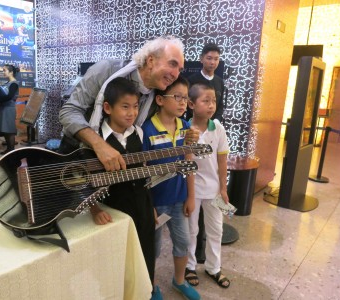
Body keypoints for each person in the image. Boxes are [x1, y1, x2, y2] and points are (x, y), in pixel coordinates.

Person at [59, 36, 199, 170]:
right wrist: (99, 145)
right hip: (75, 154)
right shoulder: (106, 70)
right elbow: (69, 111)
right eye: (172, 64)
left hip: (117, 163)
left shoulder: (157, 94)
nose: (176, 74)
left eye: (180, 69)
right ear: (150, 61)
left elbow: (165, 122)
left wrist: (187, 133)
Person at [88, 77, 159, 299]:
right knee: (117, 262)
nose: (132, 113)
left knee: (145, 255)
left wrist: (151, 205)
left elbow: (144, 171)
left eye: (136, 106)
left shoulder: (138, 132)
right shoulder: (96, 139)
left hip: (143, 208)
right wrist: (95, 210)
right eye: (125, 107)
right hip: (114, 211)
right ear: (108, 108)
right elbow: (85, 182)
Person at [142, 75, 200, 300]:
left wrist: (191, 196)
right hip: (156, 203)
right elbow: (144, 171)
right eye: (177, 97)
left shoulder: (186, 128)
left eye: (185, 98)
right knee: (153, 248)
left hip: (179, 199)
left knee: (183, 241)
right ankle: (152, 285)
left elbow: (189, 162)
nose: (182, 102)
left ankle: (179, 281)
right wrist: (149, 205)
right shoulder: (147, 130)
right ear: (159, 100)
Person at [185, 83, 231, 288]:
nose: (211, 105)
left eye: (213, 101)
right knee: (191, 230)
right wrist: (190, 195)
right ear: (191, 104)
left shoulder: (218, 128)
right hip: (192, 190)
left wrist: (223, 188)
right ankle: (189, 266)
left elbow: (222, 160)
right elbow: (186, 164)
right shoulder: (185, 130)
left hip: (214, 191)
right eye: (206, 101)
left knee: (216, 230)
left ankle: (214, 268)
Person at [187, 43, 225, 122]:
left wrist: (216, 121)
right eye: (209, 58)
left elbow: (220, 105)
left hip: (213, 126)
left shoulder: (220, 82)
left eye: (216, 59)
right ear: (201, 59)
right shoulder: (191, 80)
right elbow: (187, 105)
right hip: (194, 124)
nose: (212, 62)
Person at [0, 64, 20, 155]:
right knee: (5, 129)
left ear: (11, 72)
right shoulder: (8, 83)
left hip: (9, 108)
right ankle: (8, 149)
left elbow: (9, 96)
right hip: (4, 108)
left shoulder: (14, 83)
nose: (3, 72)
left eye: (4, 70)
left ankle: (11, 150)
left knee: (10, 130)